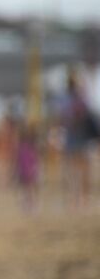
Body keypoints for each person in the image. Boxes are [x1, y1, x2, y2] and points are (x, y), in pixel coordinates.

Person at [60, 68, 98, 208]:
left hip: (76, 138)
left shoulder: (69, 99)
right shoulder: (78, 99)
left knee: (77, 170)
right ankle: (80, 198)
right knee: (81, 170)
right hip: (78, 138)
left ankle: (78, 198)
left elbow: (65, 119)